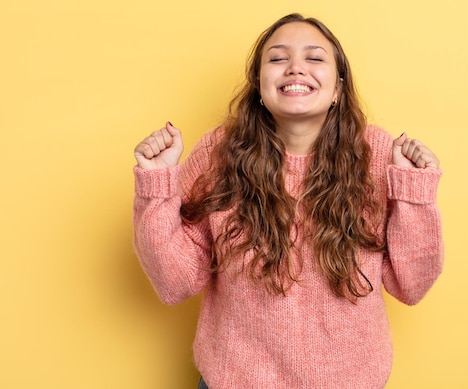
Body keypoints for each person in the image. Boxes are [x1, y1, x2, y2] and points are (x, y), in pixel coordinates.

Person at [133, 13, 443, 389]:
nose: (296, 68)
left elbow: (411, 285)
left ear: (338, 89)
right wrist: (156, 183)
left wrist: (414, 194)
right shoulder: (219, 154)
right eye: (278, 59)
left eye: (314, 58)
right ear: (259, 88)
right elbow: (174, 281)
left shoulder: (379, 155)